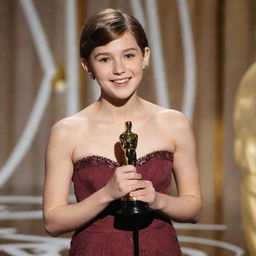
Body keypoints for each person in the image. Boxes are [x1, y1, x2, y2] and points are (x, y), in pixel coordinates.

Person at [43, 8, 202, 256]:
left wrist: (158, 200)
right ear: (87, 65)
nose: (119, 69)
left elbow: (193, 209)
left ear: (145, 56)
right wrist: (106, 194)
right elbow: (53, 222)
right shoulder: (67, 132)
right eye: (105, 59)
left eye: (128, 55)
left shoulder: (174, 123)